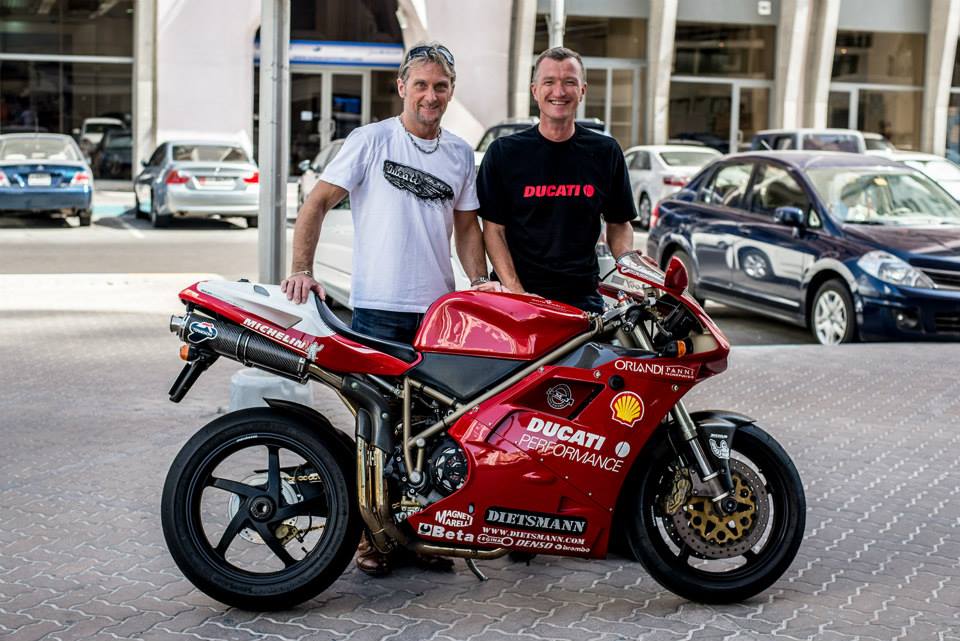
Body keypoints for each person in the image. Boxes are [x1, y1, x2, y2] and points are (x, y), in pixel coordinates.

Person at [281, 42, 494, 575]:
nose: (430, 95)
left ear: (451, 91)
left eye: (440, 86)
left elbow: (467, 227)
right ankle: (373, 539)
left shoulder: (459, 154)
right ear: (402, 87)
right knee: (377, 431)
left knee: (431, 430)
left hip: (437, 316)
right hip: (377, 311)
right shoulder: (371, 140)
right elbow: (316, 203)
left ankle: (422, 534)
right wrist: (302, 268)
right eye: (420, 84)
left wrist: (480, 284)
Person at [477, 47, 636, 313]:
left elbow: (619, 223)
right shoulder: (504, 153)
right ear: (534, 90)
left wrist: (628, 262)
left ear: (582, 90)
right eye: (549, 82)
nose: (559, 92)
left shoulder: (606, 152)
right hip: (516, 300)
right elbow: (493, 231)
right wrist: (518, 292)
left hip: (583, 301)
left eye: (569, 82)